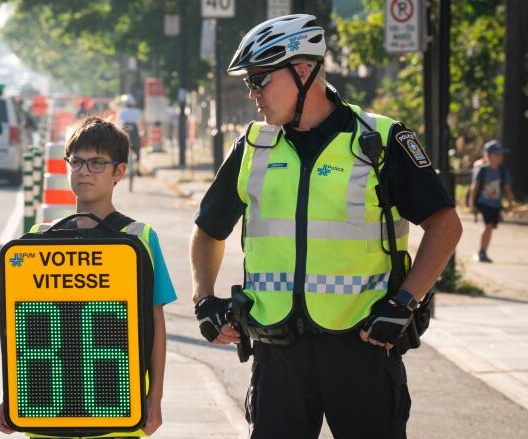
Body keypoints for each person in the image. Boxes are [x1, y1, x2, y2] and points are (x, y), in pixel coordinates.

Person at [189, 14, 462, 438]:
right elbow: (207, 231)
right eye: (249, 83)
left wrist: (405, 301)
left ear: (303, 71)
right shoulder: (254, 147)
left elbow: (445, 225)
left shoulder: (379, 141)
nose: (252, 94)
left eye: (260, 80)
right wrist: (204, 301)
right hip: (277, 357)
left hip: (363, 350)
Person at [0, 116, 177, 437]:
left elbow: (155, 321)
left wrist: (156, 396)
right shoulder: (39, 240)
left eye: (96, 163)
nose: (83, 172)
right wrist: (10, 395)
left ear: (119, 171)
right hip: (45, 409)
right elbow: (22, 332)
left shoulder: (140, 238)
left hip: (119, 408)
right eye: (76, 162)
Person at [468, 140, 516, 262]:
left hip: (495, 204)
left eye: (501, 155)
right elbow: (475, 187)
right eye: (497, 155)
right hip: (483, 203)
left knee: (490, 227)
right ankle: (482, 252)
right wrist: (472, 204)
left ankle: (483, 250)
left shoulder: (502, 171)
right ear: (488, 155)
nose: (500, 157)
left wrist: (511, 203)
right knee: (488, 226)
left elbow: (507, 188)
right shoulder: (482, 170)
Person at [116, 94, 143, 167]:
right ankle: (138, 167)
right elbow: (139, 124)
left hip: (124, 133)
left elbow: (118, 123)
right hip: (135, 133)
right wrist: (141, 133)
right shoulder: (138, 111)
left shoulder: (121, 111)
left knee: (120, 150)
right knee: (137, 150)